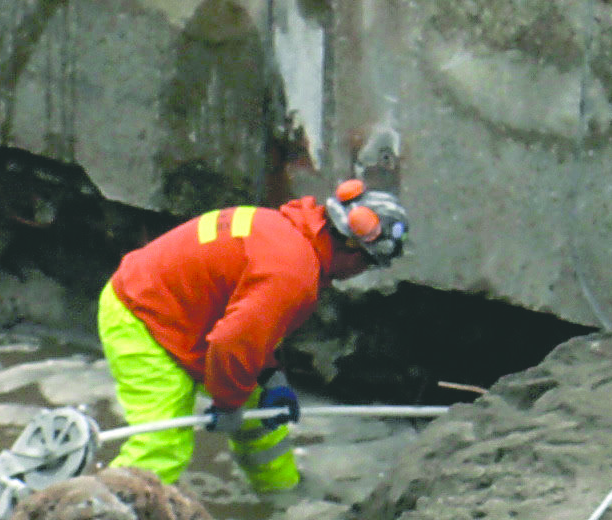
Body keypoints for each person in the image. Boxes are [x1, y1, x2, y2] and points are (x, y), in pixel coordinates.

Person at [99, 182, 406, 492]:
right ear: (352, 248)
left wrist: (270, 375)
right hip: (142, 315)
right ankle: (98, 506)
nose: (361, 272)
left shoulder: (286, 233)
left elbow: (246, 328)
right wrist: (229, 404)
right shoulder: (293, 272)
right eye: (368, 263)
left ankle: (282, 497)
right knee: (162, 446)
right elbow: (231, 342)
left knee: (263, 418)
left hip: (179, 310)